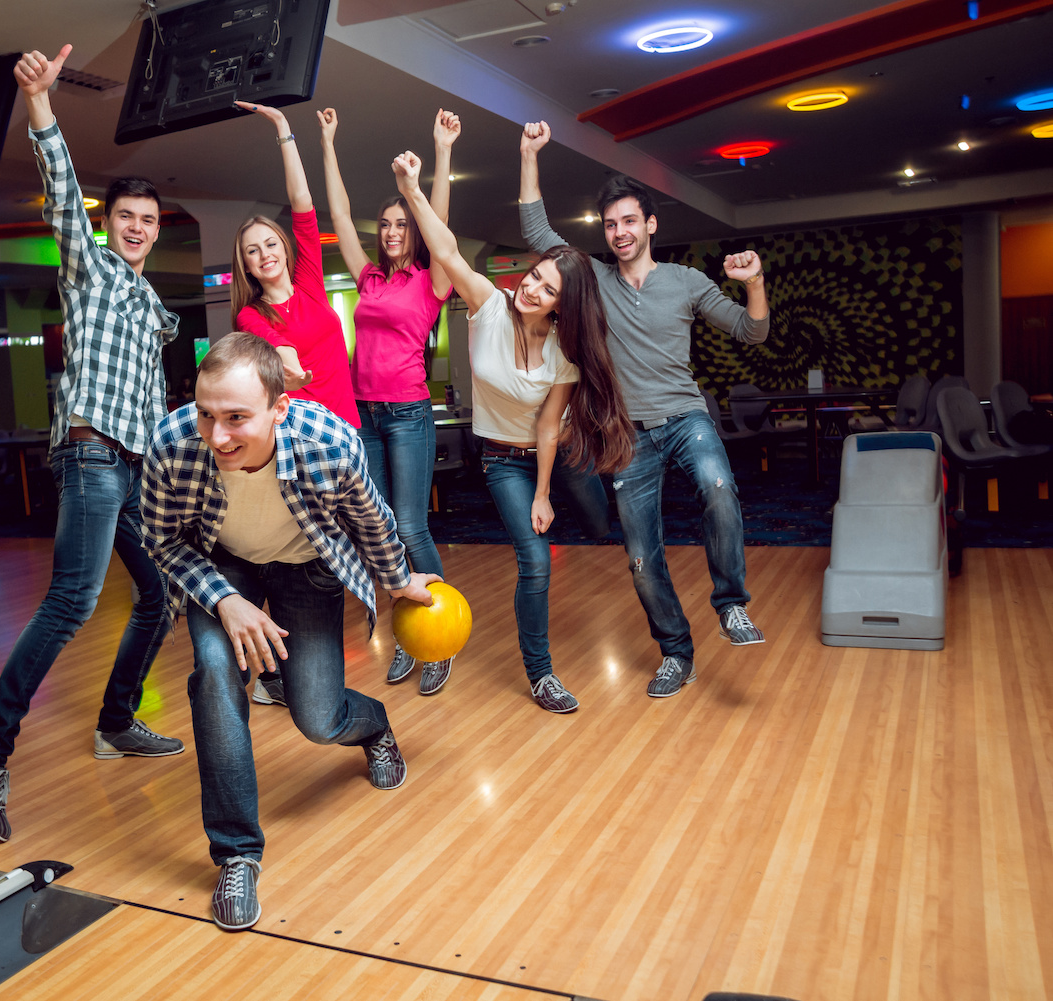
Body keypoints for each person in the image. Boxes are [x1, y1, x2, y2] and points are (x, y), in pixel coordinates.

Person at [0, 45, 184, 844]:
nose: (139, 230)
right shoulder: (89, 270)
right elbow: (58, 193)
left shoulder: (150, 302)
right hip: (89, 458)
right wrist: (41, 106)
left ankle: (116, 719)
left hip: (133, 468)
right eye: (127, 219)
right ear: (109, 224)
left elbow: (154, 402)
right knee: (72, 600)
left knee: (161, 594)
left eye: (149, 223)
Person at [141, 332, 439, 931]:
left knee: (316, 716)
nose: (217, 435)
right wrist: (224, 598)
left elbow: (372, 519)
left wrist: (400, 579)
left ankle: (373, 726)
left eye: (235, 419)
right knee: (216, 677)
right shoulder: (173, 445)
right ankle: (236, 853)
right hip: (220, 565)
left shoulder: (329, 443)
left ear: (279, 408)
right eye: (205, 414)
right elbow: (160, 538)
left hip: (308, 565)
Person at [519, 121, 771, 699]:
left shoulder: (684, 281)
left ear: (650, 224)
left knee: (719, 487)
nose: (620, 232)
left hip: (686, 418)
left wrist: (754, 283)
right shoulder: (595, 279)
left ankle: (731, 605)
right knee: (639, 556)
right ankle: (676, 652)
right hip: (627, 436)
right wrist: (530, 154)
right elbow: (537, 230)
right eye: (610, 224)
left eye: (630, 220)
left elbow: (751, 332)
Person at [393, 150, 633, 714]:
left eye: (547, 289)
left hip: (562, 453)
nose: (531, 290)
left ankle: (599, 505)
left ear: (561, 305)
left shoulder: (565, 352)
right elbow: (447, 250)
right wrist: (412, 190)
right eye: (534, 277)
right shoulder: (488, 307)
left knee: (600, 524)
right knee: (538, 558)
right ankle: (542, 674)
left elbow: (551, 425)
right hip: (502, 461)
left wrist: (547, 492)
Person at [318, 105, 457, 695]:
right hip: (365, 417)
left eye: (404, 223)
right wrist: (327, 141)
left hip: (407, 413)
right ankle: (406, 638)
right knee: (380, 533)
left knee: (412, 528)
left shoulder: (433, 280)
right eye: (389, 224)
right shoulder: (370, 279)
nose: (394, 231)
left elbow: (441, 227)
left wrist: (441, 154)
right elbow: (341, 216)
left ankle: (440, 638)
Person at [229, 100, 357, 709]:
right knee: (307, 551)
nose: (264, 254)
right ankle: (284, 667)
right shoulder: (253, 316)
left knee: (357, 535)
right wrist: (286, 366)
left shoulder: (309, 281)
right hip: (302, 442)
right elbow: (274, 368)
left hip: (347, 432)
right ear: (246, 266)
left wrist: (285, 132)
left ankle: (305, 655)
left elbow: (305, 205)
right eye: (252, 251)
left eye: (268, 244)